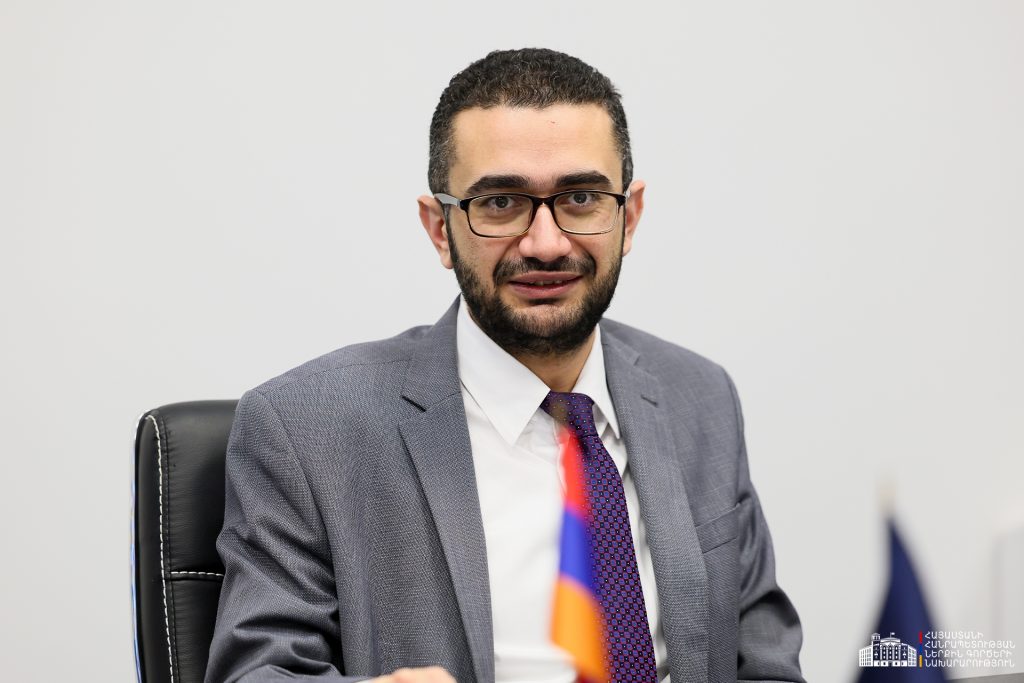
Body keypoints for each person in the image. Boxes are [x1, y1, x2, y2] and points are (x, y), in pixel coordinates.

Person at [205, 48, 805, 683]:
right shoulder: (304, 428)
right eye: (500, 203)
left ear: (628, 218)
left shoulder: (700, 398)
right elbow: (257, 672)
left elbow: (764, 664)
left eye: (581, 197)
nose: (546, 243)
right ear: (440, 229)